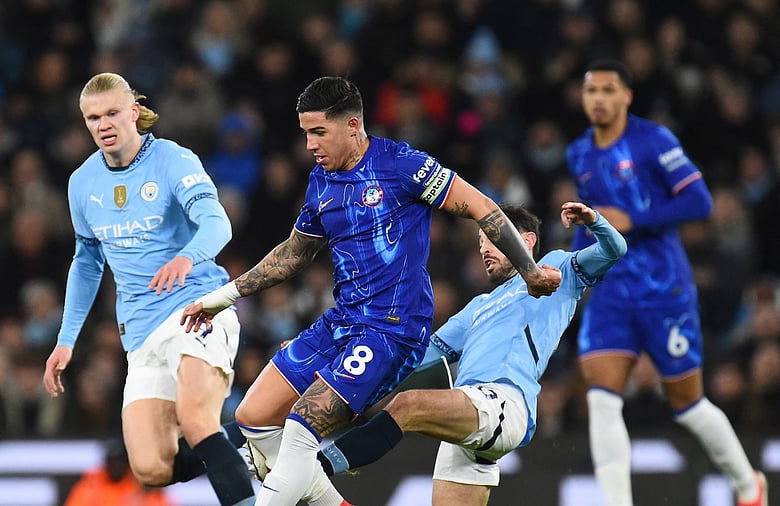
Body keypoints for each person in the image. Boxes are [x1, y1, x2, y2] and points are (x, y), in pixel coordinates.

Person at [181, 76, 562, 506]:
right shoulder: (321, 183)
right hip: (342, 321)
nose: (309, 145)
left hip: (392, 329)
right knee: (253, 417)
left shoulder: (403, 166)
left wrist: (529, 270)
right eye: (306, 133)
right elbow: (294, 253)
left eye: (319, 132)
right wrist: (222, 298)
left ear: (353, 126)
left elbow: (483, 208)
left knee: (302, 427)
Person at [313, 202, 626, 505]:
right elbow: (412, 357)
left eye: (492, 238)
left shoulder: (554, 268)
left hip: (504, 402)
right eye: (480, 242)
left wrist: (594, 221)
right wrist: (333, 359)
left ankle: (317, 468)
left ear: (526, 240)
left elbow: (615, 250)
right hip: (468, 418)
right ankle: (315, 471)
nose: (484, 249)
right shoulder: (477, 309)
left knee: (410, 404)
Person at [41, 72, 255, 506]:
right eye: (92, 118)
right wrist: (66, 340)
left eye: (112, 113)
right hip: (139, 334)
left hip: (197, 308)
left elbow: (218, 223)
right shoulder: (82, 183)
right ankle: (260, 438)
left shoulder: (174, 160)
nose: (103, 125)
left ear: (134, 112)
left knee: (197, 420)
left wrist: (185, 257)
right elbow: (86, 262)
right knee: (152, 468)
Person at [566, 59, 767, 506]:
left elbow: (699, 201)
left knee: (688, 404)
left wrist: (633, 219)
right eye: (590, 90)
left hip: (663, 288)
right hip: (612, 290)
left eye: (607, 90)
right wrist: (571, 272)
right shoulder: (579, 153)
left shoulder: (653, 140)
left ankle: (746, 483)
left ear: (626, 96)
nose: (597, 98)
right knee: (601, 396)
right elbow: (591, 223)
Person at [64, 438, 169, 506]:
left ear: (127, 462)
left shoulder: (142, 488)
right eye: (112, 461)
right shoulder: (90, 487)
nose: (115, 466)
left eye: (119, 461)